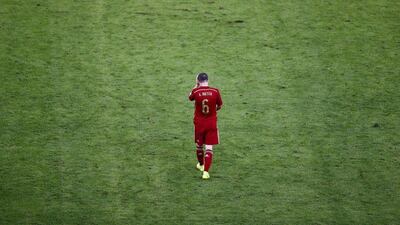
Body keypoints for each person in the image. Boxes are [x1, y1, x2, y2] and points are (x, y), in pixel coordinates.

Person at [188, 72, 223, 179]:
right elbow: (220, 105)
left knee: (199, 145)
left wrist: (195, 86)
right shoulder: (215, 91)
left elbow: (190, 97)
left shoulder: (196, 91)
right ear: (208, 80)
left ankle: (201, 165)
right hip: (211, 123)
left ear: (198, 80)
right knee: (209, 148)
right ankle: (206, 172)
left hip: (199, 123)